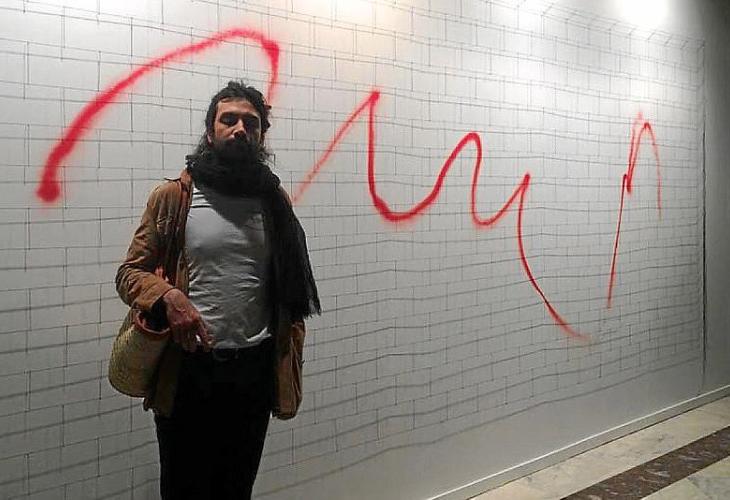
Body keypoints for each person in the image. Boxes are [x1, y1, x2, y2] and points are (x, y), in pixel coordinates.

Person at [115, 81, 320, 500]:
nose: (240, 129)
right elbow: (130, 273)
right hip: (189, 370)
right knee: (184, 489)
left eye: (251, 123)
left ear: (261, 136)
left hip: (254, 371)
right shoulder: (174, 197)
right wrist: (168, 297)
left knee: (236, 488)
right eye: (229, 120)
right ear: (210, 132)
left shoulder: (274, 201)